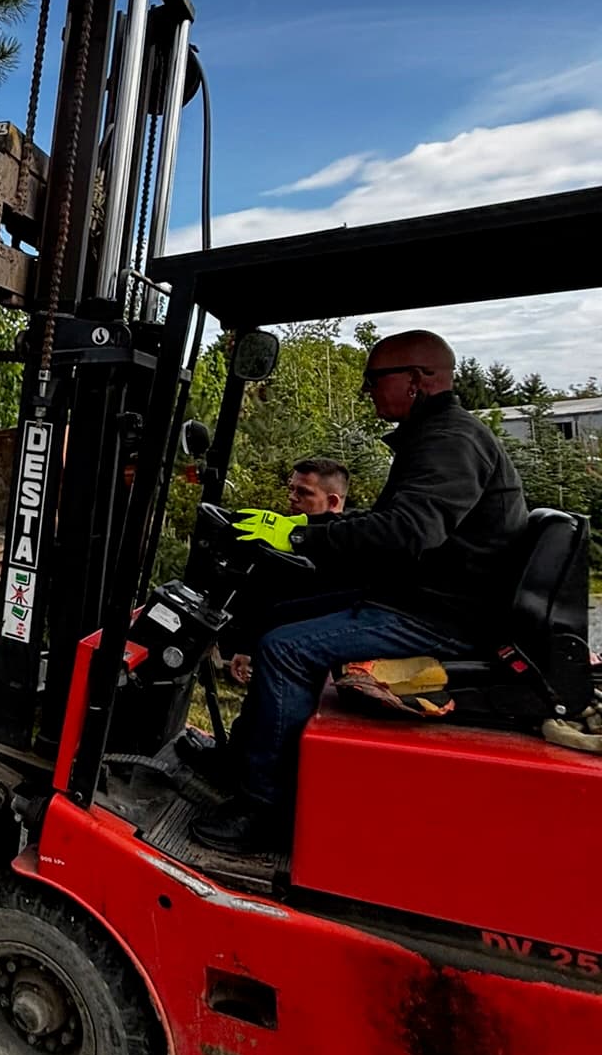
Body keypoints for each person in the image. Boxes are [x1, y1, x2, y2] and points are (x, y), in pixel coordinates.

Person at [192, 330, 528, 855]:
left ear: (416, 381)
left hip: (443, 615)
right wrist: (298, 534)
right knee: (275, 616)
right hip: (426, 595)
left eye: (374, 380)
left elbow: (410, 531)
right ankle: (242, 761)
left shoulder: (450, 441)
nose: (367, 392)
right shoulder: (435, 435)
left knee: (285, 649)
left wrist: (300, 533)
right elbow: (396, 526)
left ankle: (265, 810)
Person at [226, 457, 350, 685]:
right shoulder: (282, 536)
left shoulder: (346, 552)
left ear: (332, 501)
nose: (292, 497)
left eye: (304, 492)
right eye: (291, 488)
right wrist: (245, 647)